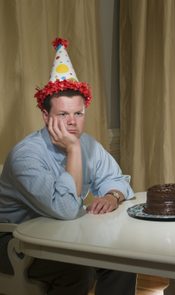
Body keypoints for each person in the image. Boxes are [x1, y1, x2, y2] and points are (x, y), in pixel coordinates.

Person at [0, 38, 137, 295]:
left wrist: (112, 194)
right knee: (77, 269)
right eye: (63, 114)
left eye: (78, 113)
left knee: (123, 260)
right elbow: (64, 210)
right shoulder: (25, 156)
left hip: (63, 235)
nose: (72, 122)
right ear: (46, 116)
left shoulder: (90, 145)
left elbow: (117, 179)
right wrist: (73, 150)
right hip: (14, 242)